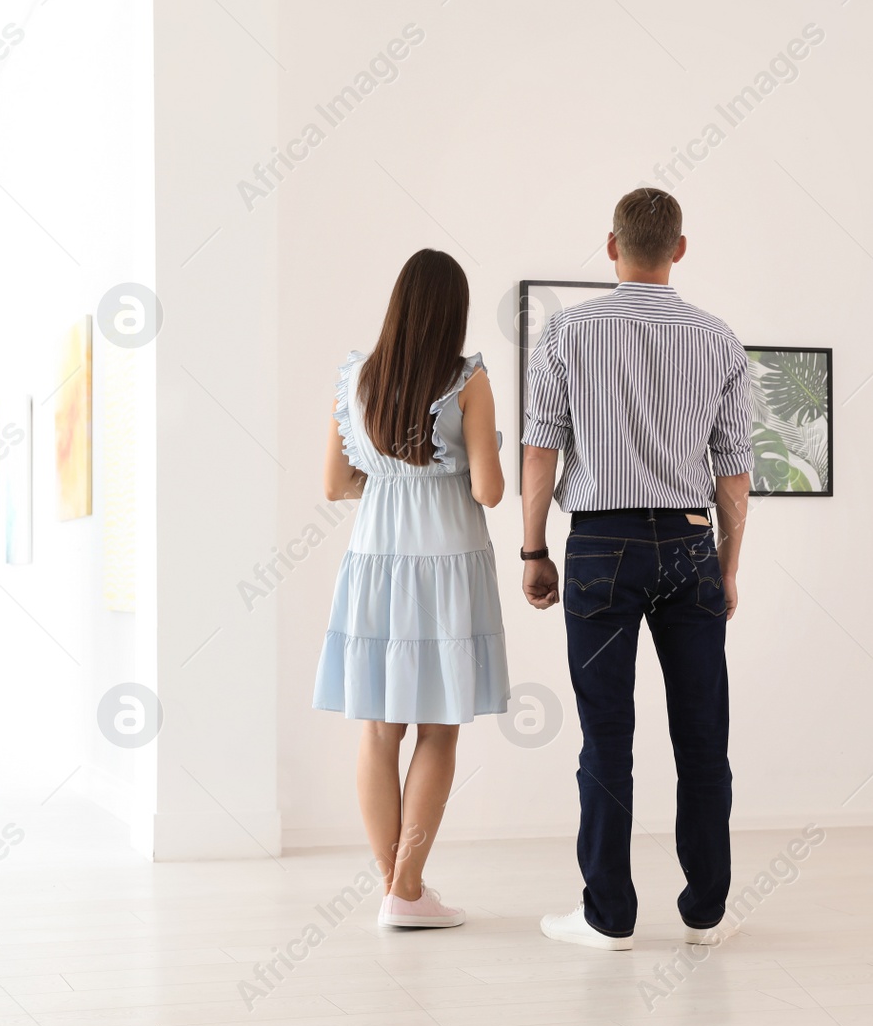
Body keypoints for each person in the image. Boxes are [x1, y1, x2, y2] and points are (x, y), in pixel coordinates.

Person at [521, 188, 751, 950]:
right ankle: (706, 914)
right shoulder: (719, 339)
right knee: (702, 734)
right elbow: (733, 478)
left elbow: (541, 449)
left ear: (611, 245)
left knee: (605, 736)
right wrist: (726, 566)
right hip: (689, 543)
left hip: (598, 546)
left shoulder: (566, 332)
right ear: (679, 248)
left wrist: (533, 549)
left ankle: (609, 917)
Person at [314, 248, 510, 929]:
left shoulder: (356, 380)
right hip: (448, 559)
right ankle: (407, 887)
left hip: (375, 557)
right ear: (452, 311)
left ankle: (396, 886)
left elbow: (336, 485)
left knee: (378, 729)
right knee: (439, 728)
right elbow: (487, 487)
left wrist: (392, 479)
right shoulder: (469, 381)